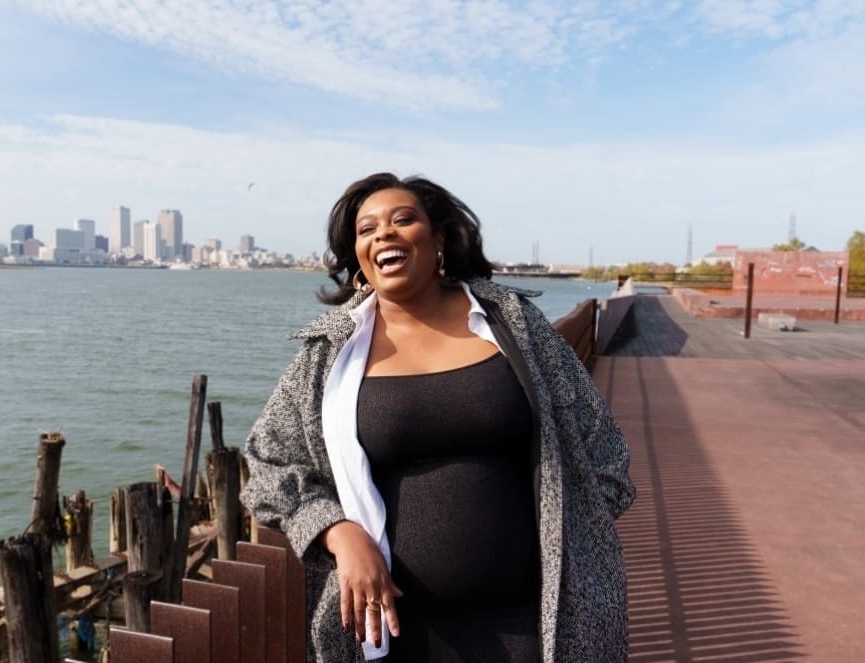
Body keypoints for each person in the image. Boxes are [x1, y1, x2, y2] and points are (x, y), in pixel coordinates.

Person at [241, 173, 635, 663]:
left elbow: (603, 447)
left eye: (403, 220)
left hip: (530, 621)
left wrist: (576, 538)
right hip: (394, 631)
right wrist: (337, 532)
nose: (383, 233)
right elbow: (267, 465)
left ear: (440, 238)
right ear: (358, 256)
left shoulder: (511, 324)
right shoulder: (329, 355)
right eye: (366, 230)